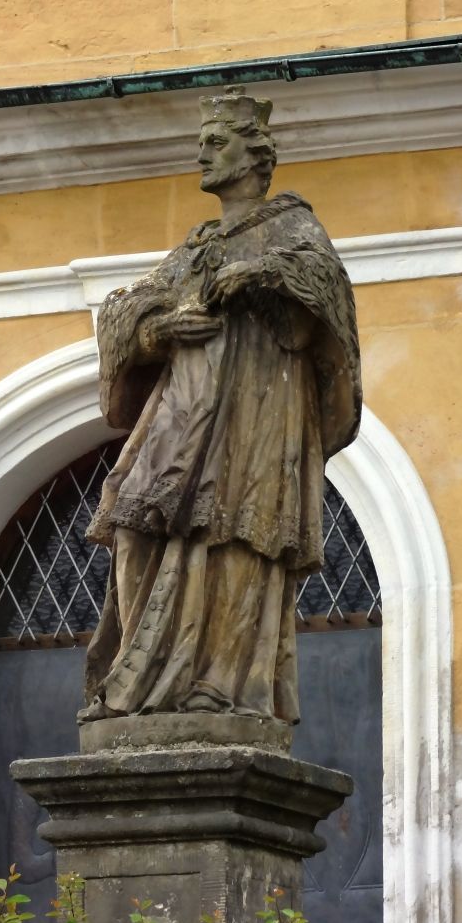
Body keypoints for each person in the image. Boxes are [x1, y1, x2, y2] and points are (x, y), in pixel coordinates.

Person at [78, 85, 361, 726]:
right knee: (133, 524)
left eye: (216, 143)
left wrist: (267, 277)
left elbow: (328, 307)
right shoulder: (197, 245)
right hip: (183, 413)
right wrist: (161, 330)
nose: (202, 154)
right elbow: (128, 310)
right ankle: (144, 680)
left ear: (255, 156)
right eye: (202, 142)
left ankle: (222, 681)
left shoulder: (294, 227)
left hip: (258, 412)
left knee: (239, 533)